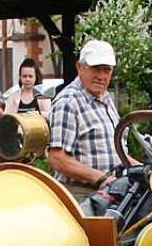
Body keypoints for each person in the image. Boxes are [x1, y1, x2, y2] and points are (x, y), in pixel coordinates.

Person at [47, 39, 122, 201]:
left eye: (107, 70)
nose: (101, 76)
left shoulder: (105, 98)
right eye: (95, 68)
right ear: (79, 67)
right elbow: (58, 158)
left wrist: (147, 170)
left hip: (109, 191)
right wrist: (102, 178)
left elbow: (115, 151)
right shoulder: (68, 102)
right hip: (80, 195)